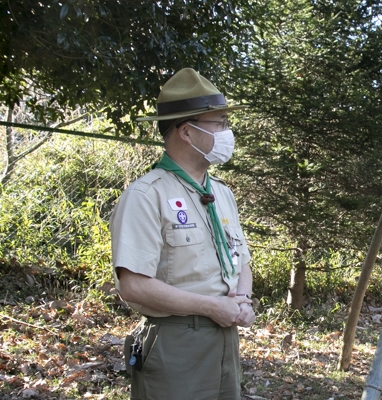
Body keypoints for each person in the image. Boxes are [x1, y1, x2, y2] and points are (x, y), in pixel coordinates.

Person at [110, 68, 255, 400]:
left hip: (225, 340)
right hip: (174, 343)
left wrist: (243, 299)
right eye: (219, 123)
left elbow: (241, 260)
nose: (227, 132)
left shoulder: (222, 193)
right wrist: (208, 307)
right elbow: (132, 285)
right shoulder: (147, 195)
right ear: (187, 132)